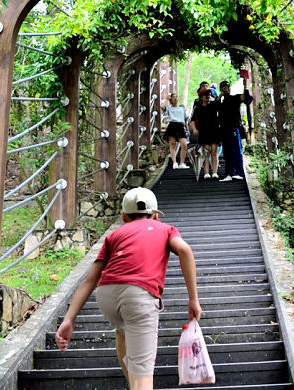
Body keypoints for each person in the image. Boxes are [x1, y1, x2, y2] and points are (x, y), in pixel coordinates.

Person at [56, 187, 202, 390]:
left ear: (124, 217)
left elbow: (89, 280)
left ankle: (133, 384)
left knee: (123, 330)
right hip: (138, 295)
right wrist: (193, 299)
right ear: (154, 216)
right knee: (144, 378)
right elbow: (185, 250)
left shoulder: (115, 235)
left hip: (106, 295)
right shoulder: (165, 229)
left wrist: (68, 320)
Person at [216, 78, 252, 182]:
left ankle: (239, 172)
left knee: (236, 150)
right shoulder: (221, 102)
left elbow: (244, 98)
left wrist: (245, 86)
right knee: (226, 152)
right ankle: (229, 173)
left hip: (234, 127)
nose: (226, 89)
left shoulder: (235, 98)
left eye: (227, 86)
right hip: (223, 129)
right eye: (223, 87)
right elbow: (215, 107)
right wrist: (220, 96)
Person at [190, 89, 219, 179]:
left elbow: (218, 100)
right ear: (201, 97)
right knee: (206, 152)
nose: (208, 96)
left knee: (214, 152)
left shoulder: (213, 105)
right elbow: (192, 120)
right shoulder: (198, 108)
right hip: (203, 132)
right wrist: (194, 129)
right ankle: (206, 172)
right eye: (205, 95)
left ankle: (214, 172)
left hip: (214, 130)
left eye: (209, 94)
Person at [163, 93, 189, 169]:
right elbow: (162, 107)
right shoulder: (169, 108)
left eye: (176, 97)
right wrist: (167, 100)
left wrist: (187, 128)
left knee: (184, 145)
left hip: (180, 126)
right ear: (171, 100)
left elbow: (185, 118)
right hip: (172, 125)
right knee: (172, 144)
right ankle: (174, 162)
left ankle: (182, 163)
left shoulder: (182, 108)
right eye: (173, 97)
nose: (175, 98)